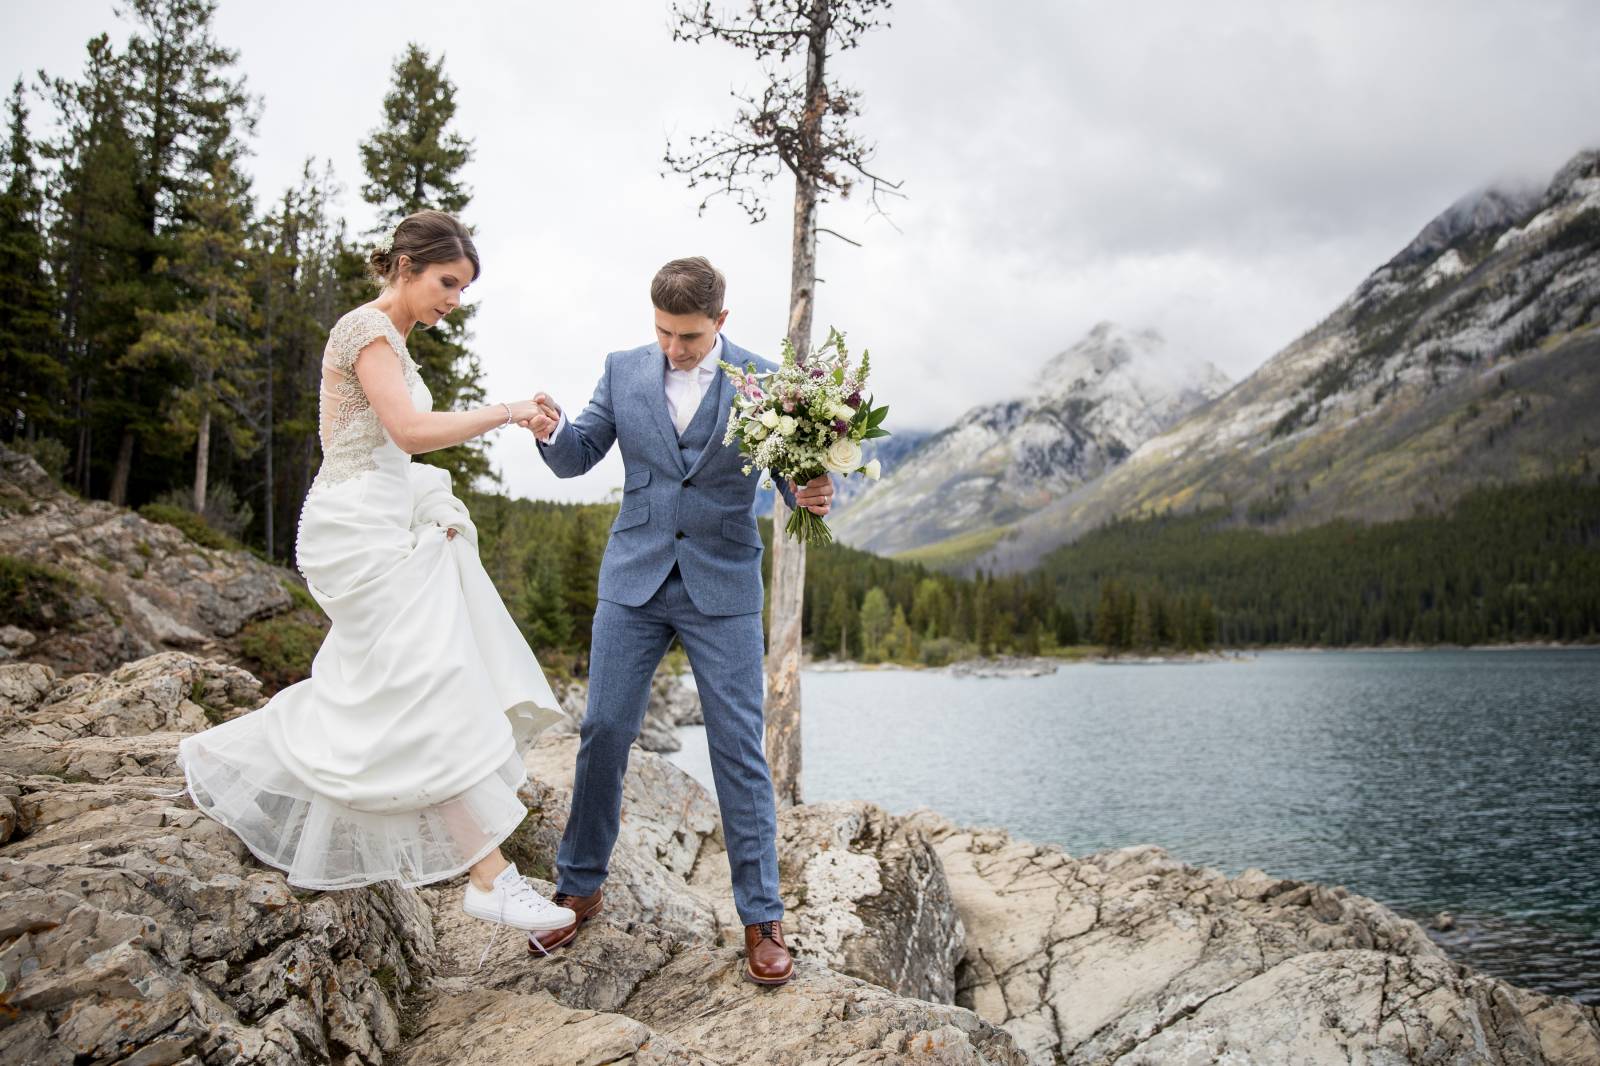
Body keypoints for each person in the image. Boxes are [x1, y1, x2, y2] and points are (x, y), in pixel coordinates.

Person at [176, 209, 575, 936]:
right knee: (422, 686)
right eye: (447, 282)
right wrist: (508, 410)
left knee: (392, 692)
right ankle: (492, 878)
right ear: (406, 266)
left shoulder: (398, 342)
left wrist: (430, 508)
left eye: (462, 289)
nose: (454, 299)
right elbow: (407, 432)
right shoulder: (365, 330)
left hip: (385, 518)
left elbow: (403, 455)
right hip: (354, 529)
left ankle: (234, 767)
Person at [522, 256, 834, 985]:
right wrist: (550, 428)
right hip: (634, 576)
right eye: (663, 331)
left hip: (723, 585)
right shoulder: (623, 368)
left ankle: (762, 918)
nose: (673, 348)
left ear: (720, 323)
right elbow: (576, 457)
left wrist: (811, 489)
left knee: (738, 748)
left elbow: (794, 475)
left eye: (688, 336)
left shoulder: (764, 382)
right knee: (602, 730)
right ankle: (579, 887)